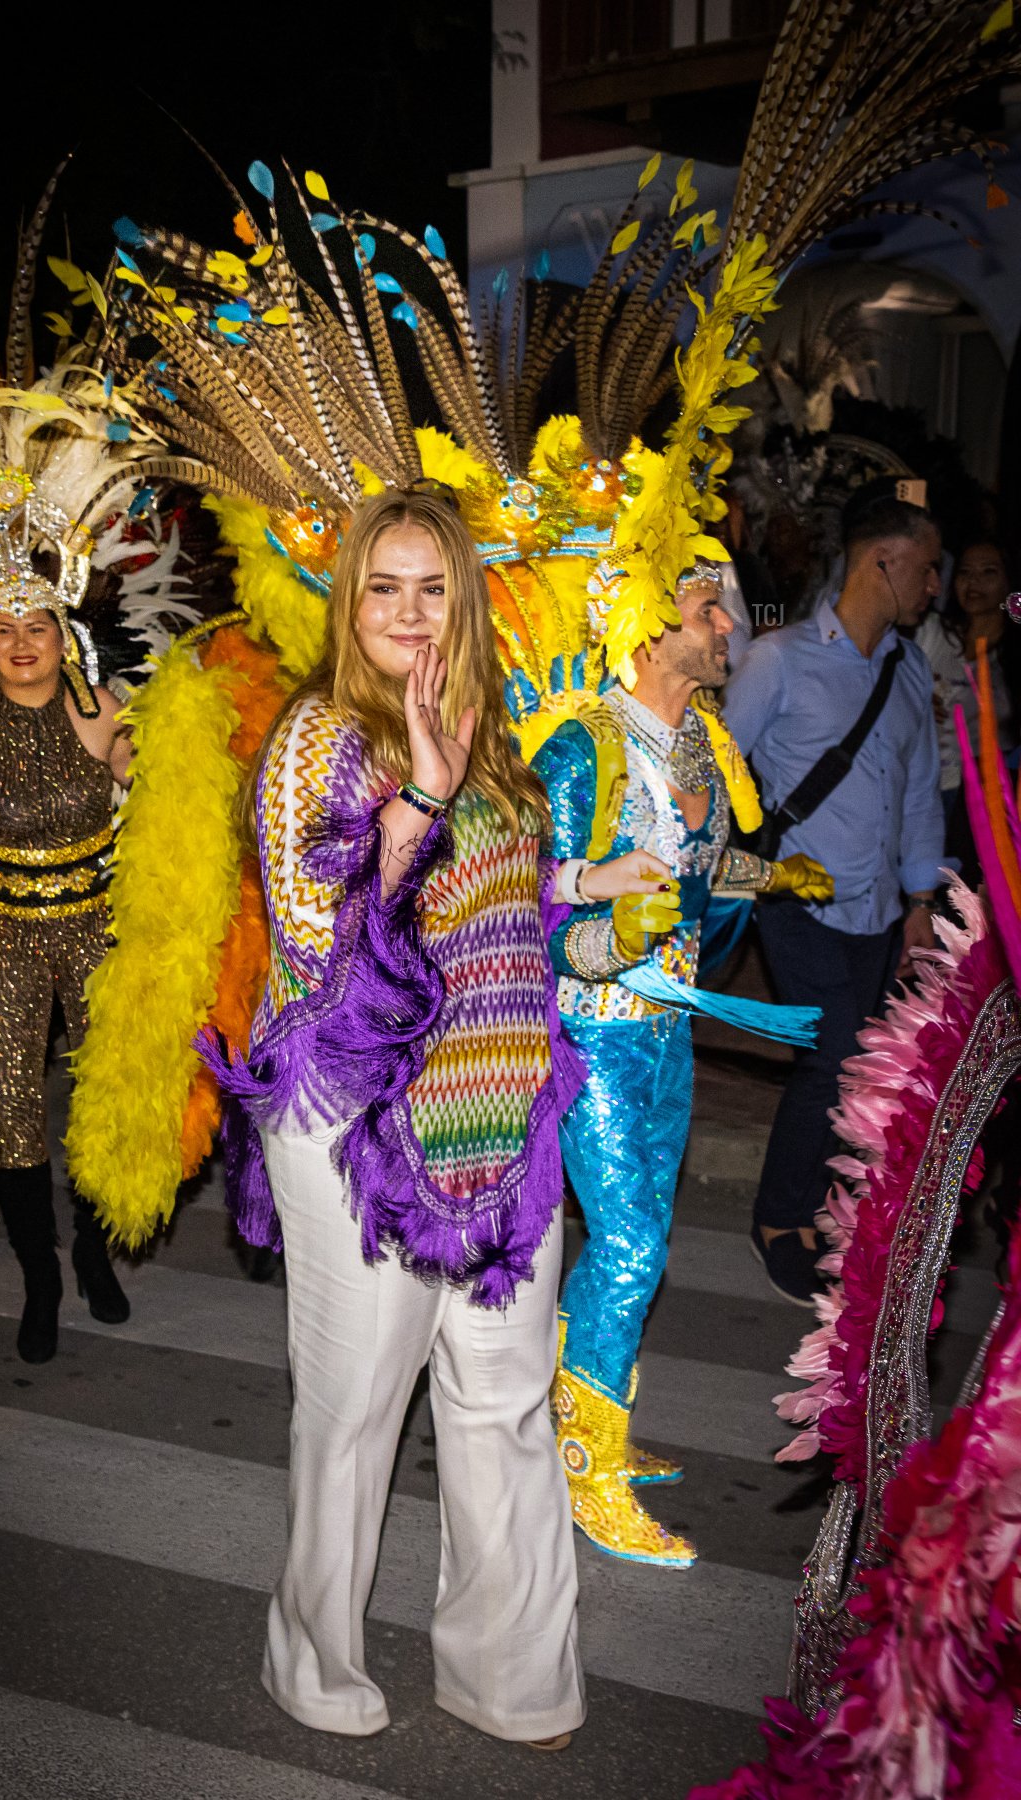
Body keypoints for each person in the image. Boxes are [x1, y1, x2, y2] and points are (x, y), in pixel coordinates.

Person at [201, 489, 666, 1748]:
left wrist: (590, 886)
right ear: (351, 602)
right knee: (355, 1411)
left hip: (502, 1112)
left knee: (505, 1402)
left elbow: (499, 899)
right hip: (364, 1128)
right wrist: (415, 800)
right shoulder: (318, 738)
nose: (410, 615)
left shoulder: (488, 728)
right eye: (382, 589)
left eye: (431, 588)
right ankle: (310, 1656)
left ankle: (510, 1674)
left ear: (464, 596)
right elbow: (319, 944)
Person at [534, 566, 831, 1566]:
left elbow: (697, 868)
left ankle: (579, 1418)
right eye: (708, 610)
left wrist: (768, 874)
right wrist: (617, 935)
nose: (728, 625)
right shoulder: (585, 748)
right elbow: (535, 913)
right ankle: (585, 1469)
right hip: (596, 1033)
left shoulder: (702, 738)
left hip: (669, 1034)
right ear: (650, 632)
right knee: (628, 1252)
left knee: (639, 1238)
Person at [726, 494, 945, 1304]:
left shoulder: (908, 665)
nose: (934, 586)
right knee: (834, 1059)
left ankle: (822, 1208)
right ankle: (779, 1219)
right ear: (881, 562)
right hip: (796, 902)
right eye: (925, 568)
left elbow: (920, 790)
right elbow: (713, 769)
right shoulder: (777, 660)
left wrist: (921, 899)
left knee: (860, 1067)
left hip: (880, 911)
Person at [0, 600, 133, 1363]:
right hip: (2, 928)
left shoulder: (97, 707)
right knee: (13, 1105)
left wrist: (174, 757)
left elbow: (141, 784)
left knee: (101, 1096)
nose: (21, 644)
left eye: (36, 627)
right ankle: (39, 1278)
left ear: (63, 637)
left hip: (92, 925)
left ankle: (91, 1251)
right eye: (4, 630)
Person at [916, 536, 1020, 833]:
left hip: (983, 803)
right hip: (918, 790)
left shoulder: (1011, 659)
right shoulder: (930, 633)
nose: (974, 582)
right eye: (965, 572)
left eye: (988, 572)